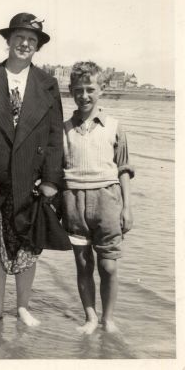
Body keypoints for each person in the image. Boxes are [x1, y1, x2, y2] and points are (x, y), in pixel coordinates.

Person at [0, 13, 64, 326]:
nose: (24, 44)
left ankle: (21, 308)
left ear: (38, 47)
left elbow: (55, 137)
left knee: (29, 248)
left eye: (31, 40)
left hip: (31, 183)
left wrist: (50, 181)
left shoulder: (48, 85)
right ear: (8, 40)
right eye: (19, 37)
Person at [62, 61, 134, 334]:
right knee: (83, 264)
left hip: (108, 200)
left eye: (90, 89)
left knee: (108, 266)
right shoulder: (64, 128)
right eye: (78, 90)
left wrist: (127, 208)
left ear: (101, 89)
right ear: (70, 91)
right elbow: (57, 171)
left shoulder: (114, 126)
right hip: (74, 201)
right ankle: (91, 317)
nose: (84, 95)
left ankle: (108, 319)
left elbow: (124, 169)